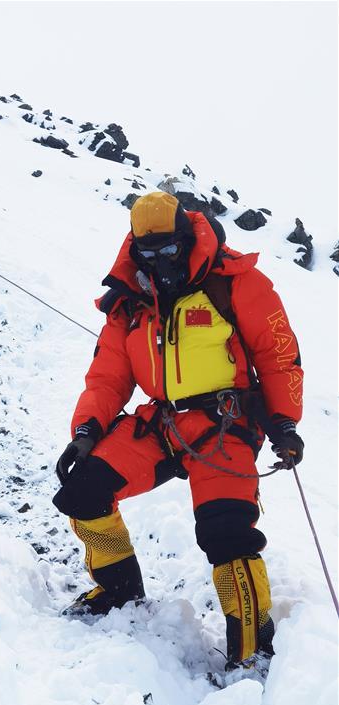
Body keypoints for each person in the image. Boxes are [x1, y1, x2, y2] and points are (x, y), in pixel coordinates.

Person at [53, 191, 304, 672]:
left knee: (227, 530)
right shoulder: (129, 300)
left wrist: (284, 423)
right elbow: (108, 377)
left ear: (187, 238)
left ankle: (252, 643)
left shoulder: (236, 282)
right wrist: (86, 431)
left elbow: (277, 354)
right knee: (84, 492)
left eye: (169, 250)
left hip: (223, 424)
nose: (160, 262)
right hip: (161, 423)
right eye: (148, 254)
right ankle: (119, 592)